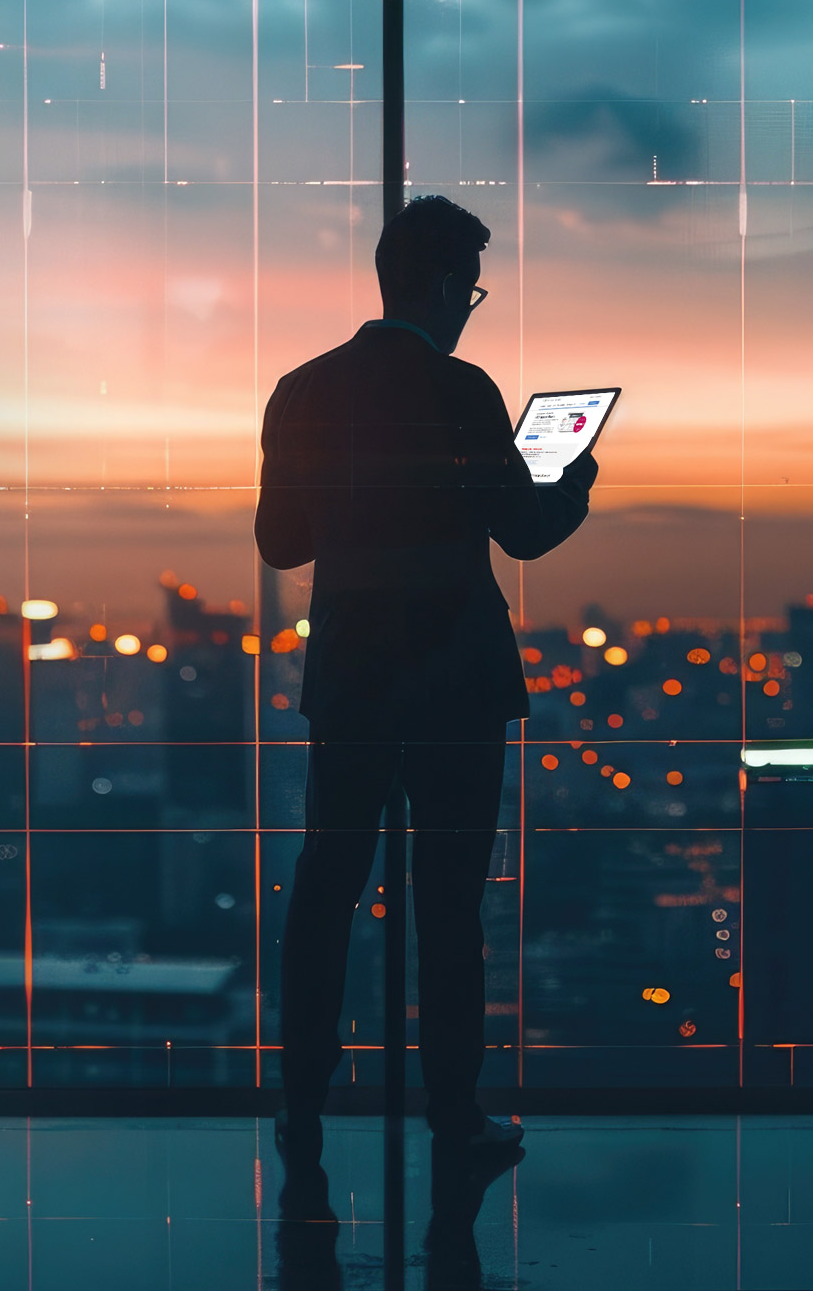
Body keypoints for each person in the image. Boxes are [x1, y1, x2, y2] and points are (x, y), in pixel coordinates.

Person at [255, 195, 594, 1200]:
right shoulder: (464, 391)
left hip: (353, 679)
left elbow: (282, 544)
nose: (470, 309)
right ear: (445, 284)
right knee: (449, 913)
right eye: (473, 289)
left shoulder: (303, 391)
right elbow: (522, 533)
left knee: (328, 893)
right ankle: (457, 1116)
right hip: (454, 681)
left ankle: (302, 1107)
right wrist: (568, 479)